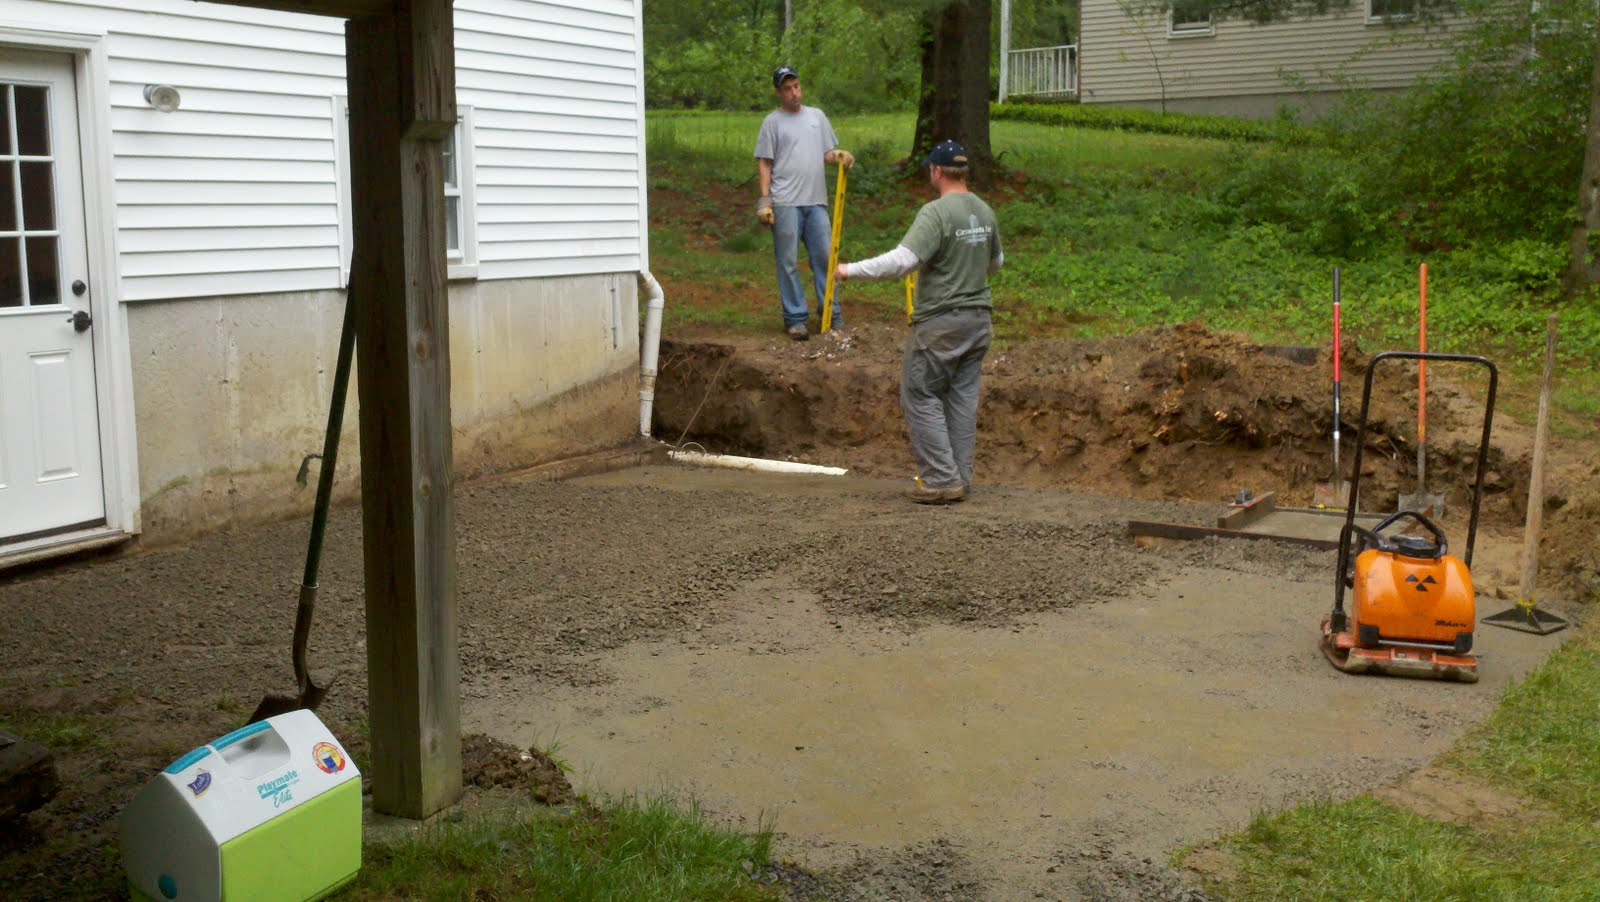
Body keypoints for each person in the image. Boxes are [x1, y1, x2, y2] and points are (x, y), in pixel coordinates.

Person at [834, 140, 1003, 504]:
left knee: (920, 392)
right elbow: (995, 264)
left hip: (940, 322)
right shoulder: (985, 211)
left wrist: (850, 271)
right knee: (961, 399)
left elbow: (901, 262)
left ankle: (941, 479)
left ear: (937, 171)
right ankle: (960, 477)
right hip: (979, 321)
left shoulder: (936, 213)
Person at [754, 66, 854, 342]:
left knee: (824, 256)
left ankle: (830, 313)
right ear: (779, 92)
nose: (794, 92)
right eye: (787, 88)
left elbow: (827, 153)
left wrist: (840, 156)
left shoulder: (816, 117)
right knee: (787, 261)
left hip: (816, 201)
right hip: (785, 201)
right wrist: (765, 202)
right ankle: (796, 318)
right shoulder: (772, 123)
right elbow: (764, 162)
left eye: (796, 86)